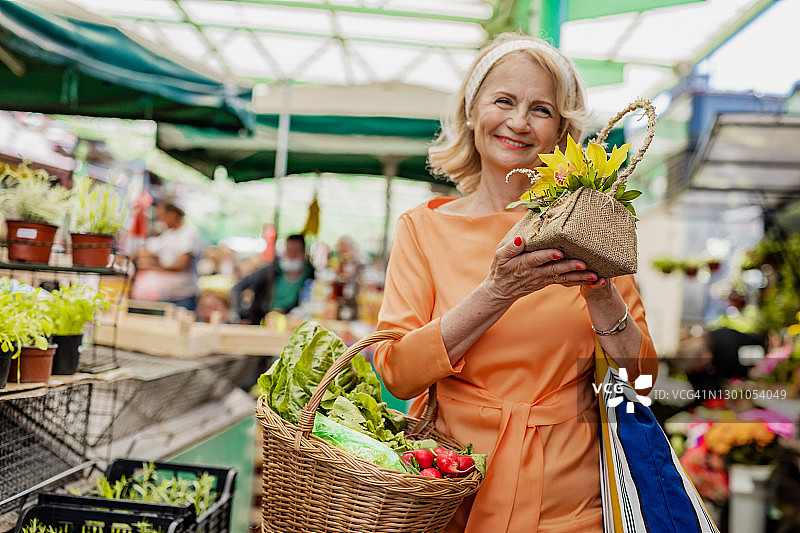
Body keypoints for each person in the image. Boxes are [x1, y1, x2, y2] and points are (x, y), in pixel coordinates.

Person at [373, 33, 658, 533]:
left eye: (541, 109)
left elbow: (642, 382)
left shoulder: (590, 225)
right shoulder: (423, 228)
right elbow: (397, 373)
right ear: (470, 111)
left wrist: (600, 291)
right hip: (450, 495)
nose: (519, 122)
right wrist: (497, 291)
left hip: (570, 508)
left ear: (561, 131)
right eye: (504, 100)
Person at [131, 196, 203, 310]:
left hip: (183, 296)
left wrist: (152, 266)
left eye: (162, 215)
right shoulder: (168, 235)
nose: (161, 219)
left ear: (173, 213)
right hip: (167, 295)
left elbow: (181, 265)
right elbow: (145, 251)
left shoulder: (188, 232)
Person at [231, 234, 314, 324]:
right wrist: (243, 314)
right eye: (289, 251)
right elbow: (238, 287)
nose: (293, 255)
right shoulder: (270, 270)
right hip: (261, 320)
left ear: (304, 253)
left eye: (297, 251)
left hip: (293, 323)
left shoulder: (311, 275)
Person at [673, 327, 767, 396]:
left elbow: (760, 363)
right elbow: (703, 393)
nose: (696, 370)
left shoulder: (728, 344)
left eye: (696, 367)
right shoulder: (694, 369)